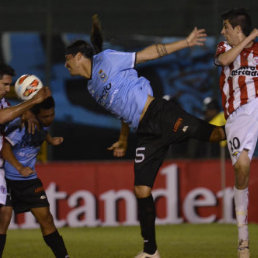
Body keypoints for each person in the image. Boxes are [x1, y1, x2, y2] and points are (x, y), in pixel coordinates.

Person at [64, 27, 226, 258]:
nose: (65, 64)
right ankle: (150, 251)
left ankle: (249, 120)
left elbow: (148, 54)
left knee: (218, 135)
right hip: (145, 133)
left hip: (160, 115)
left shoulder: (107, 58)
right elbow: (120, 110)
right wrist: (122, 139)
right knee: (141, 189)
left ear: (78, 56)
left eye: (67, 59)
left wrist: (186, 43)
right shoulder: (91, 87)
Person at [0, 96, 69, 258]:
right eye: (45, 116)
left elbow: (43, 133)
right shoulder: (21, 127)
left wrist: (51, 140)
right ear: (35, 115)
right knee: (3, 220)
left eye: (52, 115)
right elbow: (5, 149)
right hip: (9, 180)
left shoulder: (42, 126)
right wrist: (20, 167)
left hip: (29, 182)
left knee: (46, 219)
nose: (49, 119)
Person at [215, 8, 258, 258]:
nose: (222, 32)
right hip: (238, 114)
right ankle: (243, 238)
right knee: (242, 167)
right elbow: (224, 61)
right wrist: (250, 36)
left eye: (226, 27)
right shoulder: (223, 48)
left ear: (236, 28)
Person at [0, 64, 51, 208]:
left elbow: (10, 116)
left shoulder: (4, 103)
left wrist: (26, 112)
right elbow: (2, 117)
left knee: (5, 211)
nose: (7, 89)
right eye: (4, 84)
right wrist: (32, 102)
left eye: (9, 85)